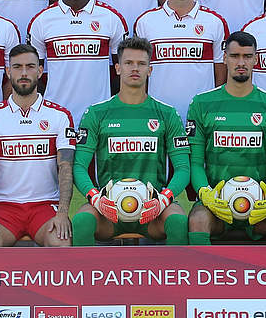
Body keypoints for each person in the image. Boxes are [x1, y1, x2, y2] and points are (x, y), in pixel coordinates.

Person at [70, 37, 190, 246]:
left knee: (179, 221)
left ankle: (173, 277)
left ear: (150, 70)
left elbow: (182, 168)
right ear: (117, 68)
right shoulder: (96, 113)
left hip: (153, 210)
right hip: (109, 210)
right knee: (82, 221)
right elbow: (79, 166)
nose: (135, 68)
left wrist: (163, 200)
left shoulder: (167, 114)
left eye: (141, 64)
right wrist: (97, 199)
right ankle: (87, 278)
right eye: (128, 63)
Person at [186, 31, 266, 246]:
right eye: (235, 56)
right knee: (198, 220)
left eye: (247, 56)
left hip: (261, 205)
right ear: (224, 58)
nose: (241, 62)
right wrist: (205, 194)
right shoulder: (202, 104)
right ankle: (201, 277)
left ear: (256, 59)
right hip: (216, 205)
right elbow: (195, 163)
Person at [0, 44, 75, 247]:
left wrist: (63, 213)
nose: (24, 73)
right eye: (17, 67)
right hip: (4, 208)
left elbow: (65, 167)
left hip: (45, 206)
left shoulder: (60, 116)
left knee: (60, 242)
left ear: (40, 71)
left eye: (30, 67)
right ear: (8, 71)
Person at [26, 0, 128, 126]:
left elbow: (121, 72)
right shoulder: (41, 21)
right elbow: (35, 75)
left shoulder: (111, 18)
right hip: (55, 119)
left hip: (99, 117)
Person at [132, 0, 229, 120]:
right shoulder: (145, 22)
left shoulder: (215, 22)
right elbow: (139, 74)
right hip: (157, 117)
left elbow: (221, 73)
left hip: (201, 117)